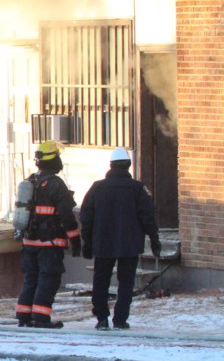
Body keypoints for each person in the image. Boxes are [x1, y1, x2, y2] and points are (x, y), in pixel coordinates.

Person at [80, 147, 161, 330]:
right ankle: (120, 319)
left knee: (100, 280)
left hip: (103, 243)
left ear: (111, 165)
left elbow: (86, 217)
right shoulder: (137, 189)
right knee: (126, 282)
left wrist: (87, 243)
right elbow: (148, 217)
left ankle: (101, 318)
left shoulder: (97, 188)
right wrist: (155, 241)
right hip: (129, 244)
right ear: (128, 166)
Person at [15, 140, 81, 328]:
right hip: (49, 244)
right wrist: (75, 239)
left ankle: (24, 317)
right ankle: (41, 318)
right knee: (48, 279)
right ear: (54, 161)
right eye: (58, 157)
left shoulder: (30, 182)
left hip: (29, 242)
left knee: (31, 279)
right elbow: (67, 216)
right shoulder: (56, 184)